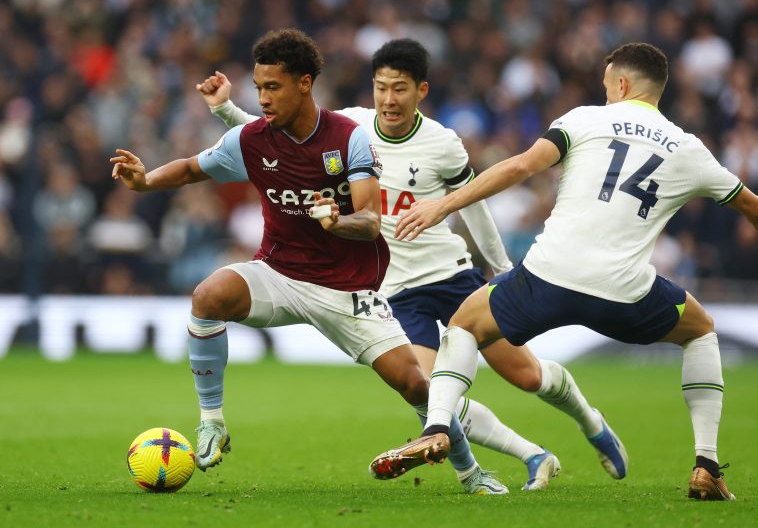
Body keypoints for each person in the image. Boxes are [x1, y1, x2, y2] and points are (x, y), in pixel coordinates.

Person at [198, 38, 626, 491]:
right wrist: (225, 110)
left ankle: (591, 422)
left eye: (399, 89)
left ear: (420, 91)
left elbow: (473, 205)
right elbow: (274, 138)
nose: (388, 99)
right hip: (397, 291)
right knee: (431, 392)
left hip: (451, 276)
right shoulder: (350, 127)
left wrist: (500, 268)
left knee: (526, 374)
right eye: (381, 87)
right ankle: (534, 455)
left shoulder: (442, 143)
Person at [111, 28, 503, 495]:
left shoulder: (349, 139)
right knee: (208, 296)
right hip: (279, 273)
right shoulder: (251, 139)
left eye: (272, 87)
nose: (262, 99)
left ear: (305, 82)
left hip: (346, 288)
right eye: (257, 88)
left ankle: (469, 471)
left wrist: (338, 222)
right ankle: (212, 421)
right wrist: (146, 181)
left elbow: (371, 221)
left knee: (417, 386)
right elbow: (194, 168)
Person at [383, 42, 758, 501]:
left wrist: (443, 204)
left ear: (621, 84)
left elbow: (522, 166)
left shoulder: (583, 119)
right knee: (701, 329)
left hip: (547, 278)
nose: (605, 93)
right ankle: (706, 464)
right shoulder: (690, 149)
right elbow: (754, 206)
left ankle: (438, 426)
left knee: (465, 324)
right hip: (625, 292)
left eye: (608, 85)